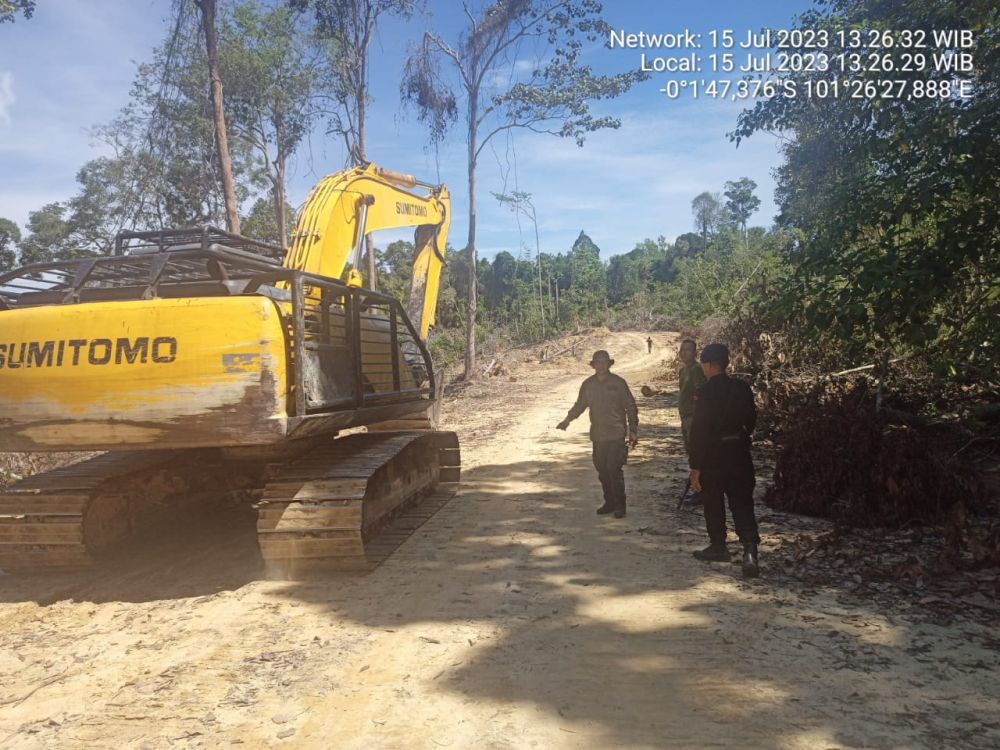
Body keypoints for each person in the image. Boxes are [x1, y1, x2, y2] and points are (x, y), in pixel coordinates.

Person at [688, 343, 760, 577]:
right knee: (742, 503)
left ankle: (719, 546)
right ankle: (750, 552)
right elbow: (751, 420)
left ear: (709, 365)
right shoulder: (741, 387)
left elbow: (698, 431)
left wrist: (695, 466)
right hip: (739, 452)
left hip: (713, 456)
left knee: (713, 502)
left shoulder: (705, 392)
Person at [556, 350, 639, 519]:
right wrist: (567, 420)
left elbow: (630, 406)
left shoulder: (618, 383)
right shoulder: (588, 384)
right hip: (598, 435)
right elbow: (580, 405)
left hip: (616, 433)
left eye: (604, 362)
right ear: (593, 365)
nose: (601, 365)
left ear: (609, 364)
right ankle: (609, 502)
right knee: (601, 469)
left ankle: (620, 505)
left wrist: (633, 430)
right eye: (597, 362)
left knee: (614, 469)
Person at [677, 338, 706, 507]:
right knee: (691, 453)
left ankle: (700, 491)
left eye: (688, 350)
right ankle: (698, 488)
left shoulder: (696, 370)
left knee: (697, 455)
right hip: (685, 417)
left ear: (695, 352)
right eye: (682, 350)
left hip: (694, 418)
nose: (684, 353)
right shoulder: (683, 371)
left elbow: (701, 393)